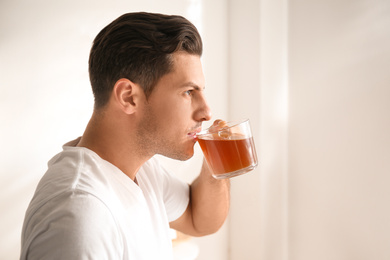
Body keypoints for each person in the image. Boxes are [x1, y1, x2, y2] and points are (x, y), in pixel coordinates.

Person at [20, 12, 230, 260]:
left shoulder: (141, 169)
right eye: (188, 92)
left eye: (201, 91)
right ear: (128, 97)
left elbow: (199, 220)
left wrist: (217, 165)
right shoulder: (80, 216)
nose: (207, 112)